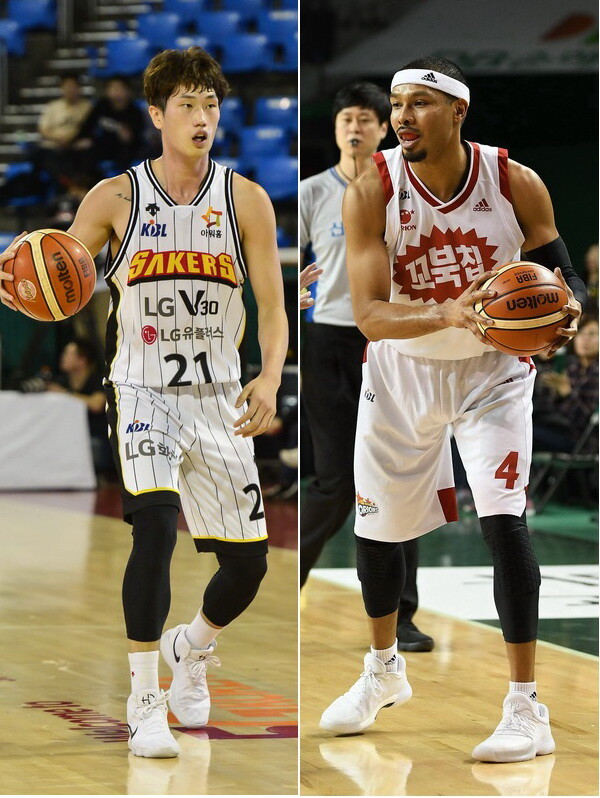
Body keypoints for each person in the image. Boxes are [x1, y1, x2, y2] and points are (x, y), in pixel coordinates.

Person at [0, 47, 288, 759]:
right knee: (154, 530)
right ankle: (143, 699)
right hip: (141, 390)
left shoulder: (246, 199)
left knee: (248, 567)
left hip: (220, 396)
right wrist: (29, 282)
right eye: (187, 105)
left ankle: (191, 648)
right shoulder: (115, 198)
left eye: (211, 104)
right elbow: (61, 273)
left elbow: (274, 307)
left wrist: (270, 377)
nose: (202, 117)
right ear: (157, 114)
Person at [319, 56, 586, 763]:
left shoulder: (514, 181)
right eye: (397, 104)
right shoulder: (373, 188)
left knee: (503, 522)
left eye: (420, 103)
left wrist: (567, 313)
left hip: (492, 372)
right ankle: (383, 670)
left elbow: (566, 275)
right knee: (376, 531)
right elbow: (370, 316)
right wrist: (448, 311)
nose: (402, 117)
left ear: (459, 111)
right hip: (402, 369)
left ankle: (527, 708)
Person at [300, 82, 433, 652]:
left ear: (383, 129)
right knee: (334, 483)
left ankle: (402, 617)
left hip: (391, 339)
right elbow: (287, 264)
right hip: (328, 341)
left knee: (401, 476)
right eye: (345, 120)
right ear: (335, 130)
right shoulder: (311, 192)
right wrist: (293, 285)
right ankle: (281, 586)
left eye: (364, 120)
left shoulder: (407, 187)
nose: (354, 128)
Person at [46, 337, 113, 475]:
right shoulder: (61, 381)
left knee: (94, 447)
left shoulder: (98, 379)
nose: (62, 357)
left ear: (82, 360)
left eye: (68, 354)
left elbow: (96, 405)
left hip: (95, 436)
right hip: (69, 436)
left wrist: (65, 394)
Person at [73, 76, 146, 177]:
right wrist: (81, 140)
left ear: (128, 91)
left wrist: (126, 135)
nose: (116, 92)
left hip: (125, 149)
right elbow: (87, 126)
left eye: (120, 88)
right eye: (112, 88)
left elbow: (135, 138)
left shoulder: (134, 111)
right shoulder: (101, 106)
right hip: (102, 146)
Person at [36, 74, 92, 188]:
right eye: (67, 86)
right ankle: (69, 185)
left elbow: (90, 128)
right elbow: (43, 129)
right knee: (43, 155)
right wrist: (59, 139)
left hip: (76, 146)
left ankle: (81, 186)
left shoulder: (87, 107)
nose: (70, 90)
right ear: (61, 88)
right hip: (54, 146)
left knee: (88, 152)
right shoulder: (53, 106)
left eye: (73, 86)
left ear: (79, 88)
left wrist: (71, 140)